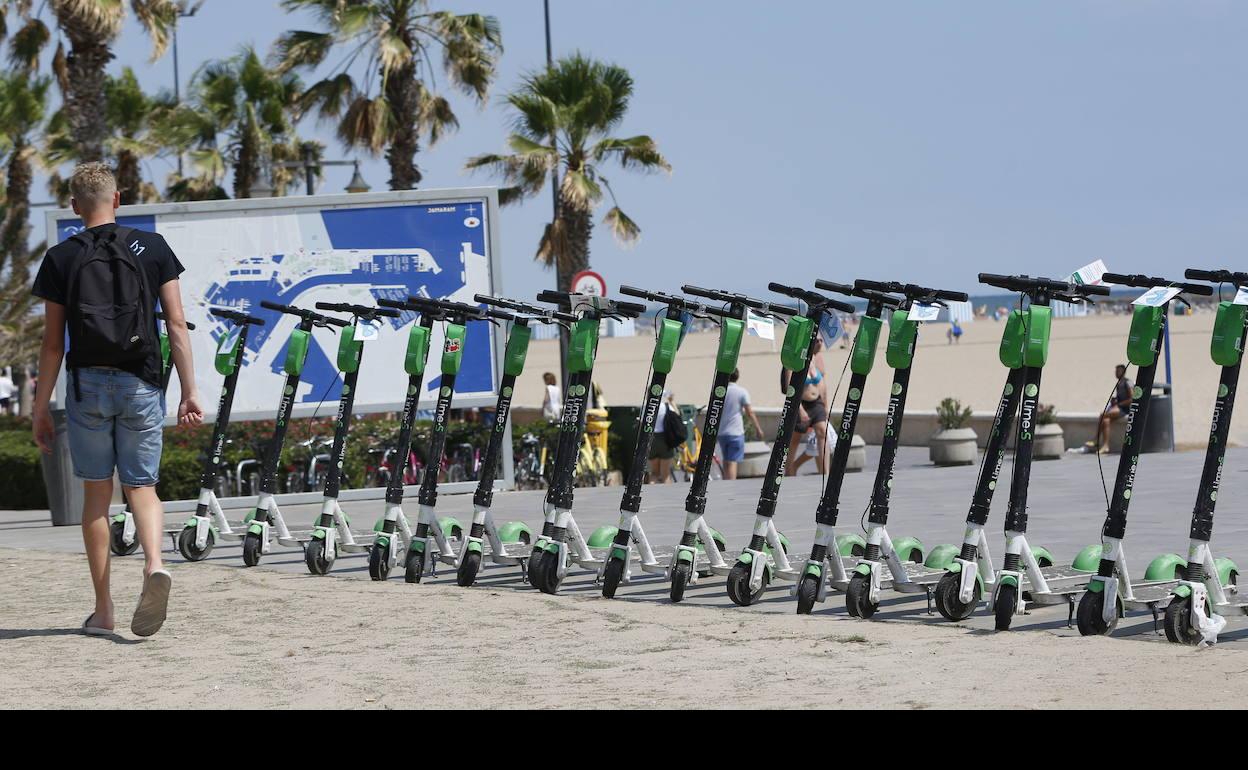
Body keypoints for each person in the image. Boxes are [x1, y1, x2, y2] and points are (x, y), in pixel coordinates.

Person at [31, 162, 203, 638]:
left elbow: (51, 343)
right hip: (141, 381)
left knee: (95, 496)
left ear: (73, 207)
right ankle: (153, 564)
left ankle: (104, 609)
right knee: (142, 487)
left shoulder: (61, 258)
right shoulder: (153, 249)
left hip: (87, 386)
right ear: (119, 199)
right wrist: (188, 389)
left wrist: (41, 406)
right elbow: (176, 324)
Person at [783, 336, 829, 476]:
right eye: (816, 341)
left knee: (822, 432)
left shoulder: (818, 359)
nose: (820, 343)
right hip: (800, 404)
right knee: (795, 440)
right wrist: (800, 410)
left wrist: (825, 406)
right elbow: (790, 388)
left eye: (821, 340)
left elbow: (823, 386)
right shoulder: (794, 361)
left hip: (817, 404)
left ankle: (824, 473)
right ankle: (789, 471)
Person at [718, 369, 763, 480]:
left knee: (726, 460)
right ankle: (731, 485)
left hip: (722, 432)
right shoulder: (742, 392)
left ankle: (725, 483)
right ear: (737, 377)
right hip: (736, 432)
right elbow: (749, 412)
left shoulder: (720, 391)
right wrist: (758, 428)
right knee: (733, 462)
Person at [1098, 363, 1133, 454]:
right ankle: (1106, 446)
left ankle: (1095, 439)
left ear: (1123, 372)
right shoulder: (1119, 383)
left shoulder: (1127, 382)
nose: (1116, 373)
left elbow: (1131, 399)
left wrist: (1119, 404)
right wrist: (1115, 400)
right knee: (1106, 421)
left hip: (1125, 409)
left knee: (1103, 415)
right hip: (1119, 407)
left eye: (1118, 371)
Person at [648, 389, 678, 484]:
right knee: (665, 474)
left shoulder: (647, 407)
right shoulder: (665, 406)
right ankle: (668, 496)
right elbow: (677, 415)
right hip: (664, 439)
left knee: (654, 473)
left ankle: (649, 494)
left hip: (651, 439)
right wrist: (671, 401)